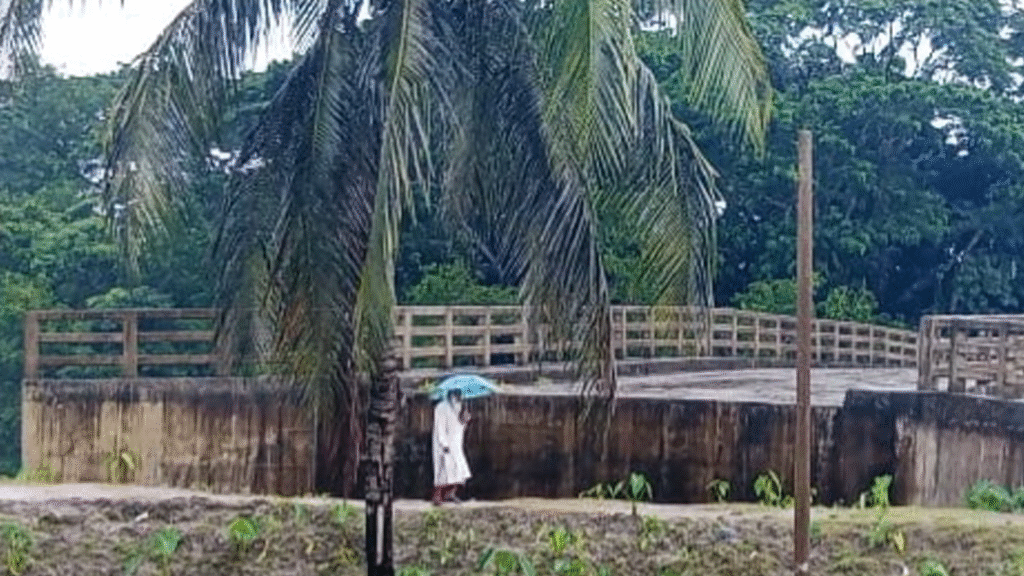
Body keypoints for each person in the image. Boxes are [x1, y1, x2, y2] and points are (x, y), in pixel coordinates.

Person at [432, 389, 471, 505]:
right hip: (443, 443)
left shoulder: (460, 406)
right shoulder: (441, 407)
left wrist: (465, 420)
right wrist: (444, 444)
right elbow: (439, 427)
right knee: (443, 469)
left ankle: (451, 494)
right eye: (456, 394)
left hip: (456, 443)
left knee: (460, 469)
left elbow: (459, 427)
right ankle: (437, 496)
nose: (458, 396)